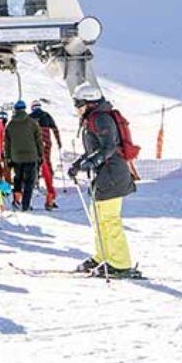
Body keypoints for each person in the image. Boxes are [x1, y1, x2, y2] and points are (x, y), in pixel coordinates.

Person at [69, 82, 141, 278]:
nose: (76, 108)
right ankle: (103, 256)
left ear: (89, 102)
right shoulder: (92, 118)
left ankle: (120, 264)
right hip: (105, 175)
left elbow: (109, 147)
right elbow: (93, 150)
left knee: (109, 219)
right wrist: (78, 164)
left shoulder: (101, 118)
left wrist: (91, 162)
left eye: (78, 104)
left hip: (112, 174)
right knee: (98, 217)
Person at [4, 100, 43, 211]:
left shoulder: (10, 125)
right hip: (31, 156)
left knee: (18, 179)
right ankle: (25, 205)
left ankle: (17, 200)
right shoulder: (32, 123)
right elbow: (39, 141)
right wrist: (40, 155)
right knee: (29, 182)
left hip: (16, 157)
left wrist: (8, 158)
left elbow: (6, 144)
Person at [30, 99, 63, 210]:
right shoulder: (46, 115)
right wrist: (59, 142)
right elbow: (55, 129)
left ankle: (35, 183)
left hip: (33, 145)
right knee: (47, 165)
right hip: (46, 143)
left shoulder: (29, 117)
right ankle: (50, 197)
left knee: (34, 165)